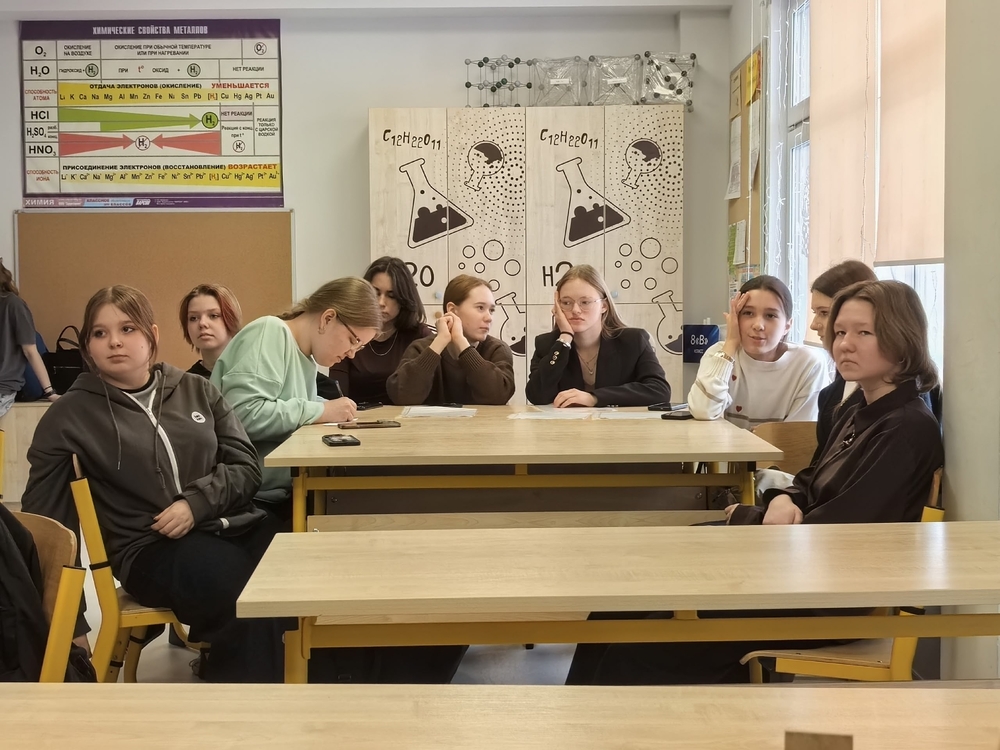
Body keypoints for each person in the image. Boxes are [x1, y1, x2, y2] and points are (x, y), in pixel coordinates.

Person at [582, 280, 944, 685]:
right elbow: (811, 478)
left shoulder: (906, 428)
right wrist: (785, 498)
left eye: (864, 333)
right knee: (621, 600)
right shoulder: (859, 405)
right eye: (840, 331)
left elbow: (842, 532)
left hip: (826, 595)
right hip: (794, 564)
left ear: (901, 338)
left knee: (639, 644)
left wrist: (751, 516)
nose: (844, 344)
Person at [21, 285, 285, 682]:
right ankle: (249, 702)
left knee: (296, 572)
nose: (114, 341)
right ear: (88, 346)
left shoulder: (197, 389)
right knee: (243, 592)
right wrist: (71, 625)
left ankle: (311, 684)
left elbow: (246, 466)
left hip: (226, 523)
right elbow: (48, 526)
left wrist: (195, 503)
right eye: (99, 333)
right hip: (149, 548)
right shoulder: (69, 416)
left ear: (152, 335)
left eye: (127, 328)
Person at [211, 278, 381, 517]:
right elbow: (243, 414)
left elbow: (288, 403)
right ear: (327, 318)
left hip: (276, 494)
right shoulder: (270, 331)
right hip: (249, 501)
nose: (352, 354)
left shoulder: (305, 358)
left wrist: (327, 408)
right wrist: (321, 411)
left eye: (359, 347)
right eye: (354, 341)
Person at [688, 275, 829, 429]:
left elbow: (797, 434)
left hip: (778, 447)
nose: (758, 325)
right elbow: (702, 411)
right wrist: (731, 343)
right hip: (727, 445)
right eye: (748, 313)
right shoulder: (718, 353)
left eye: (770, 316)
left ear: (787, 326)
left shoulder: (808, 363)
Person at [525, 265, 670, 407]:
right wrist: (565, 338)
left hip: (621, 423)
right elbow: (537, 396)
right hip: (567, 424)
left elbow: (659, 390)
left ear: (604, 306)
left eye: (585, 302)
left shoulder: (633, 340)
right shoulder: (548, 344)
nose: (575, 310)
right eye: (566, 302)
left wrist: (594, 398)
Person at [317, 257, 433, 404]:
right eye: (375, 292)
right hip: (357, 415)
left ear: (403, 300)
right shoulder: (348, 331)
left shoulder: (420, 335)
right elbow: (337, 395)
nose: (380, 302)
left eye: (391, 296)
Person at [387, 274, 515, 405]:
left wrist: (461, 342)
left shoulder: (497, 349)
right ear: (452, 310)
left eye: (491, 310)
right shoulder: (420, 348)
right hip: (430, 420)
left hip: (484, 420)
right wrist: (440, 342)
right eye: (480, 308)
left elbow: (498, 397)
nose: (489, 318)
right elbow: (402, 396)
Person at [0, 259, 58, 416]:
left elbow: (30, 351)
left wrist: (49, 392)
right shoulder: (14, 304)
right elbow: (30, 351)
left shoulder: (12, 304)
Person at [179, 283, 243, 378]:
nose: (202, 323)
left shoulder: (253, 372)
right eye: (193, 318)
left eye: (213, 315)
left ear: (231, 318)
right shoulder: (186, 383)